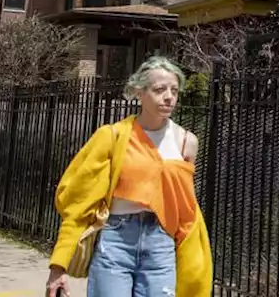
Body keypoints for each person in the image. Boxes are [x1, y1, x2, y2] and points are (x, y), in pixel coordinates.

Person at [46, 56, 212, 297]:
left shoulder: (187, 142)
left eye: (174, 90)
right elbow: (78, 202)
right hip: (115, 240)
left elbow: (186, 207)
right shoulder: (112, 137)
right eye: (159, 89)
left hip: (161, 243)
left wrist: (194, 261)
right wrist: (58, 265)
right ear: (139, 92)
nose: (168, 97)